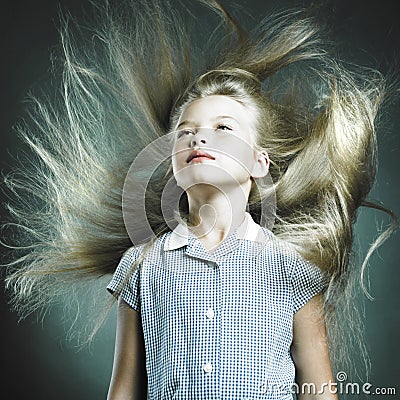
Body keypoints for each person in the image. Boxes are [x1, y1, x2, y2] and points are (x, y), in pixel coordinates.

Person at [2, 1, 397, 399]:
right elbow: (124, 389)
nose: (198, 137)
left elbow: (319, 389)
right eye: (185, 132)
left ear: (259, 162)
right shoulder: (142, 265)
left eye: (223, 128)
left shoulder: (290, 269)